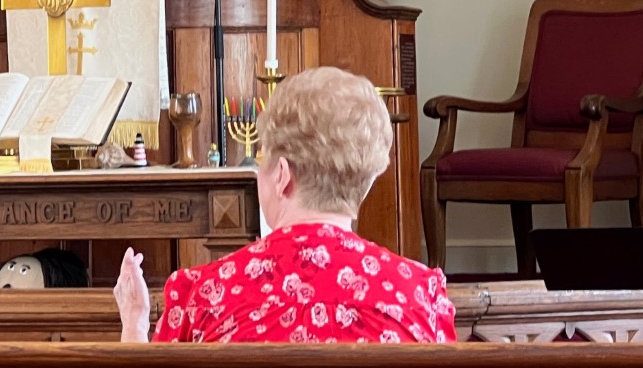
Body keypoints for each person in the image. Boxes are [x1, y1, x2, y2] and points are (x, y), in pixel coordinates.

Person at [114, 67, 456, 343]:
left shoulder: (202, 294)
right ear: (365, 182)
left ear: (282, 175)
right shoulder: (420, 294)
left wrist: (134, 327)